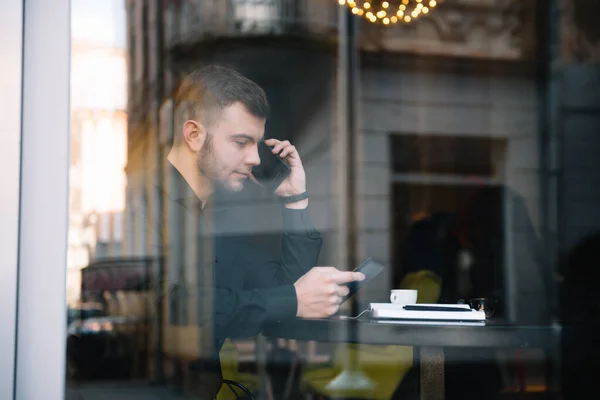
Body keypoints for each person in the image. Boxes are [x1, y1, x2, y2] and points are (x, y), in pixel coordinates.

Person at [160, 65, 365, 398]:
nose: (255, 159)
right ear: (194, 135)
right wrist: (292, 299)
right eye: (241, 142)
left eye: (256, 144)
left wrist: (294, 200)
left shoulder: (214, 214)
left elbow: (284, 292)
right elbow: (177, 307)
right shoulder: (149, 203)